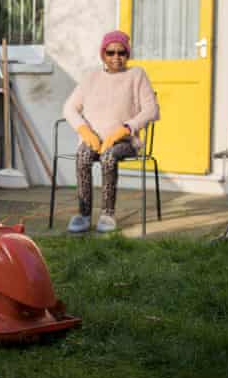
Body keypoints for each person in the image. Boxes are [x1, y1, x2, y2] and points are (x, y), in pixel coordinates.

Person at [62, 30, 159, 233]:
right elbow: (69, 108)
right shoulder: (91, 78)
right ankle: (84, 214)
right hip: (94, 139)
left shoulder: (136, 75)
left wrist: (124, 129)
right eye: (111, 52)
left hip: (123, 141)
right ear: (103, 54)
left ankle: (107, 214)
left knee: (108, 157)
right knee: (82, 155)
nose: (116, 57)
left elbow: (151, 109)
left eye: (121, 52)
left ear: (127, 54)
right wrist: (84, 130)